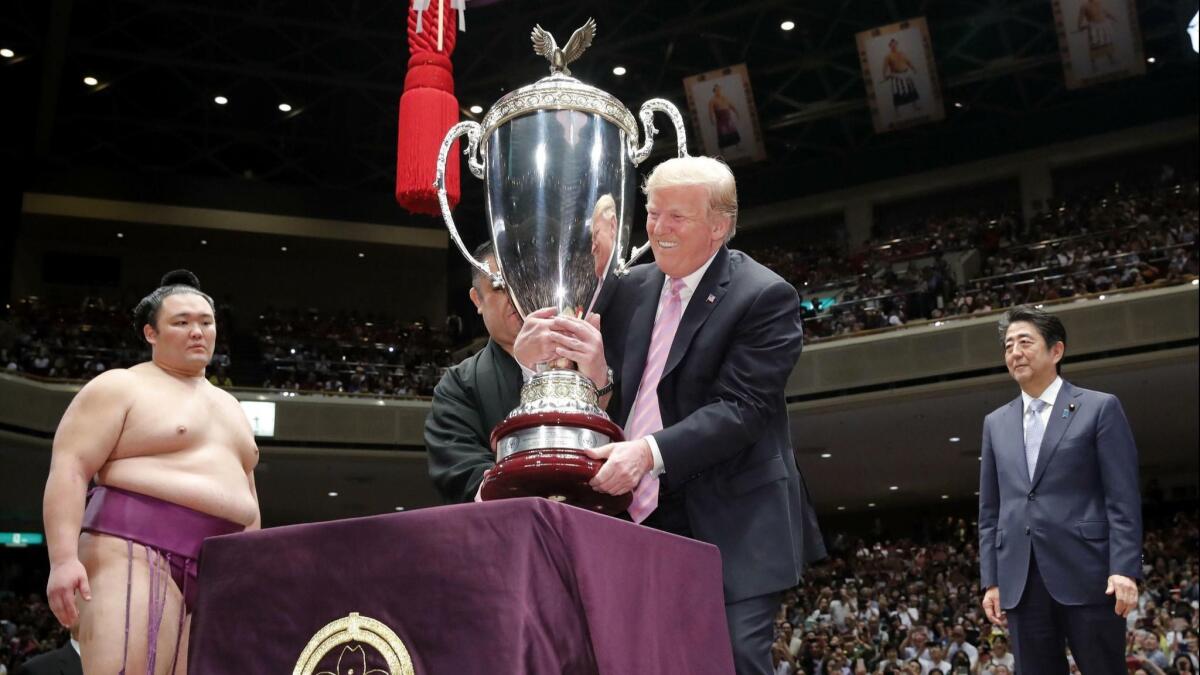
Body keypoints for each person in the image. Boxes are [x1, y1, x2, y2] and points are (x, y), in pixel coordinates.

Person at [515, 155, 825, 675]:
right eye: (654, 214)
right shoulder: (630, 288)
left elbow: (741, 410)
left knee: (733, 660)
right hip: (637, 514)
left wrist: (648, 453)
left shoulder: (764, 296)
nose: (658, 229)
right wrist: (593, 374)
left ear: (720, 224)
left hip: (733, 520)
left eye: (676, 216)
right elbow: (619, 397)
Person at [42, 270, 260, 675]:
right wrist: (63, 559)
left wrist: (252, 569)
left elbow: (247, 498)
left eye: (205, 322)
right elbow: (71, 468)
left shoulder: (233, 408)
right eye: (181, 322)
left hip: (220, 567)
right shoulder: (120, 387)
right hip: (133, 548)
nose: (197, 331)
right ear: (150, 333)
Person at [978, 305, 1142, 674]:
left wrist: (1125, 569)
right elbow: (991, 511)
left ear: (1056, 350)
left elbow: (1123, 498)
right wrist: (992, 580)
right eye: (1008, 346)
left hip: (1090, 574)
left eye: (1024, 342)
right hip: (1020, 578)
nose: (1015, 352)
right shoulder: (995, 423)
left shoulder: (1099, 408)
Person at [425, 241, 525, 503]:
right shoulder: (457, 387)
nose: (516, 294)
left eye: (524, 280)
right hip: (503, 530)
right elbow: (462, 473)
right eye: (500, 286)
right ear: (477, 299)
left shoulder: (580, 362)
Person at [881, 38, 921, 113]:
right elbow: (884, 67)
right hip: (896, 76)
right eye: (892, 44)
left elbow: (908, 62)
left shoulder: (902, 53)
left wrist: (914, 69)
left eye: (895, 44)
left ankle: (915, 106)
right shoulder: (888, 56)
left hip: (906, 74)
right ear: (890, 46)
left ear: (897, 44)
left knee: (911, 90)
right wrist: (884, 76)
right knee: (897, 93)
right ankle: (897, 111)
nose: (894, 45)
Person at [708, 84, 742, 149]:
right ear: (714, 91)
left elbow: (732, 106)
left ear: (721, 90)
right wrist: (711, 119)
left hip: (729, 119)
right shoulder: (712, 101)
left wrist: (737, 113)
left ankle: (738, 146)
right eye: (716, 90)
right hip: (720, 120)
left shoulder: (725, 98)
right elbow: (711, 111)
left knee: (733, 132)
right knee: (722, 133)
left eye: (719, 89)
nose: (718, 91)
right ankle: (722, 151)